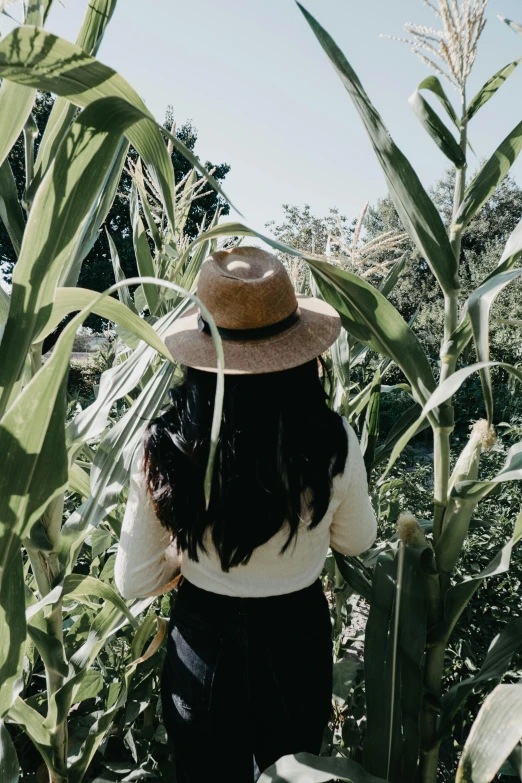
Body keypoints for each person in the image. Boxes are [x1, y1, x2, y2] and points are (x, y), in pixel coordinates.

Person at [114, 247, 377, 783]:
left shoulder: (162, 445)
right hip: (294, 638)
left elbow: (134, 579)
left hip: (202, 642)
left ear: (198, 354)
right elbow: (356, 540)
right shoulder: (332, 441)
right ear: (301, 352)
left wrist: (190, 548)